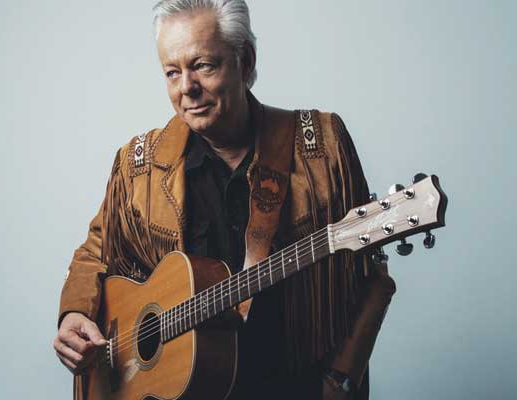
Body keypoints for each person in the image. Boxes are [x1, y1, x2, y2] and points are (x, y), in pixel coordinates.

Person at [53, 1, 396, 399]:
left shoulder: (320, 147)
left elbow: (371, 276)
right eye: (172, 72)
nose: (186, 87)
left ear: (245, 61)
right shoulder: (137, 167)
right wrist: (74, 312)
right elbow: (96, 253)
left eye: (203, 66)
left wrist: (342, 377)